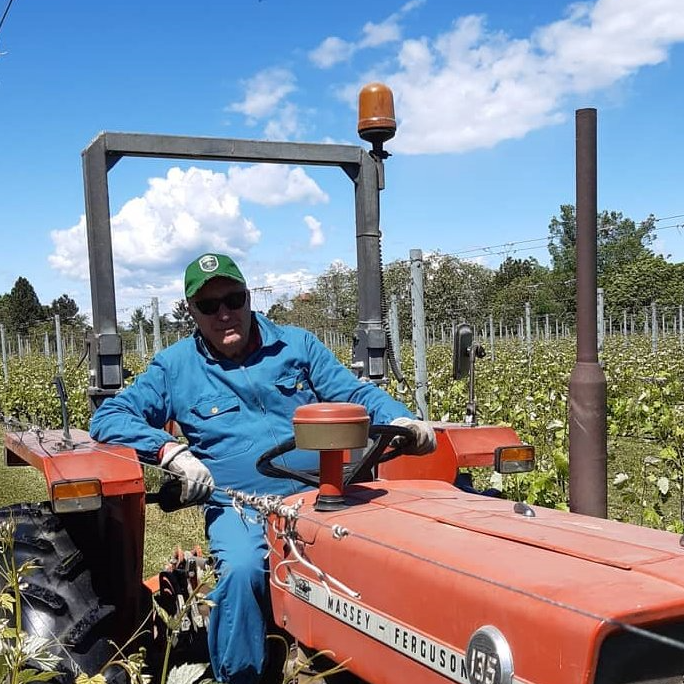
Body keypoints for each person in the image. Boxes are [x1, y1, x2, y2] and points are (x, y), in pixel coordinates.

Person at [89, 252, 435, 684]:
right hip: (244, 509)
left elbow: (353, 394)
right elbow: (108, 418)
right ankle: (241, 675)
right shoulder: (175, 368)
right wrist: (170, 452)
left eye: (233, 299)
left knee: (406, 553)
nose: (225, 314)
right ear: (192, 311)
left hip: (329, 493)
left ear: (248, 297)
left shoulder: (297, 345)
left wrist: (401, 419)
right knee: (241, 569)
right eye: (209, 306)